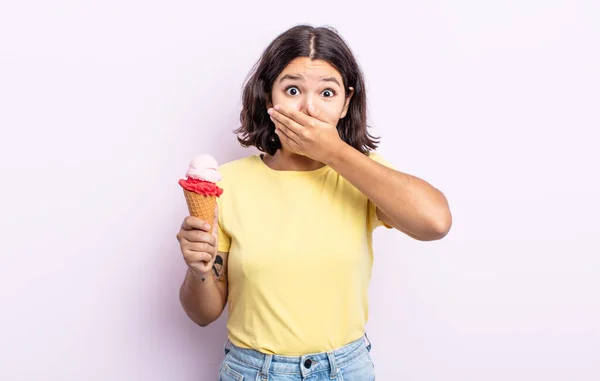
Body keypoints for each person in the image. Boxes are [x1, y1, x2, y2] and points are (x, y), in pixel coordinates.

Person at [176, 24, 452, 381]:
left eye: (327, 93)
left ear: (346, 103)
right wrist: (199, 270)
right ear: (268, 97)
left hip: (346, 369)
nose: (308, 107)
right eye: (292, 89)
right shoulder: (226, 185)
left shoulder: (362, 175)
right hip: (254, 371)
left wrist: (335, 152)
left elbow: (436, 223)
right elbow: (202, 314)